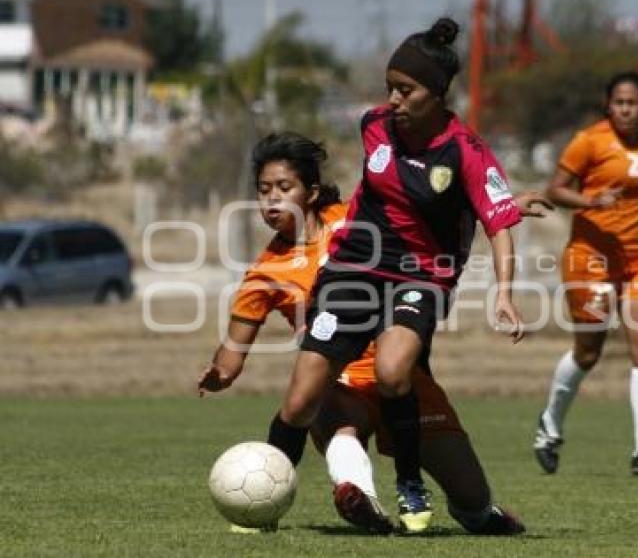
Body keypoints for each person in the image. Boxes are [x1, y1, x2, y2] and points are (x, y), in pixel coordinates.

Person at [248, 19, 527, 533]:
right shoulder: (374, 124)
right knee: (302, 394)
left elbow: (500, 225)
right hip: (355, 266)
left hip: (421, 276)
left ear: (437, 93)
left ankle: (409, 483)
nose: (394, 100)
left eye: (407, 90)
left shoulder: (465, 150)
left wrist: (504, 293)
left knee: (395, 371)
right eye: (390, 88)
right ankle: (263, 497)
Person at [198, 131, 533, 535]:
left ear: (311, 191)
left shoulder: (354, 221)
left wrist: (500, 209)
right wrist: (220, 373)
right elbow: (232, 357)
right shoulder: (264, 274)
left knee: (473, 498)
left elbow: (424, 210)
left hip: (402, 377)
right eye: (264, 190)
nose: (272, 199)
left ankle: (476, 511)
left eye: (284, 187)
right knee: (323, 403)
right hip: (340, 384)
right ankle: (359, 499)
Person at [533, 71, 638, 478]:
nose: (625, 109)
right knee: (588, 352)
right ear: (608, 105)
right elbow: (554, 190)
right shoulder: (590, 141)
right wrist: (591, 200)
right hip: (591, 256)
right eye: (618, 102)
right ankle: (550, 423)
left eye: (633, 103)